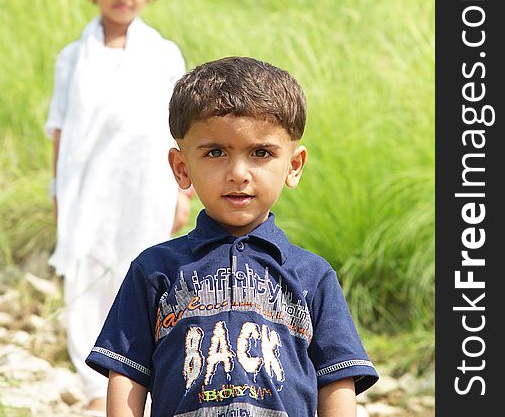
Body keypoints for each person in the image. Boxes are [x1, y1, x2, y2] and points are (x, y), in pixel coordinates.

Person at [86, 56, 379, 416]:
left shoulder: (313, 276)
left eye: (261, 153)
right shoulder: (155, 270)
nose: (238, 173)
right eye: (215, 152)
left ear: (294, 165)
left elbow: (336, 382)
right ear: (182, 168)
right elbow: (127, 374)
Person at [44, 0, 192, 415]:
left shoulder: (164, 54)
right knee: (89, 263)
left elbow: (177, 126)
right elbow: (61, 128)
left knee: (141, 265)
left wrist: (180, 190)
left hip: (144, 180)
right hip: (88, 181)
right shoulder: (74, 57)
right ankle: (93, 382)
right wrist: (57, 189)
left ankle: (140, 377)